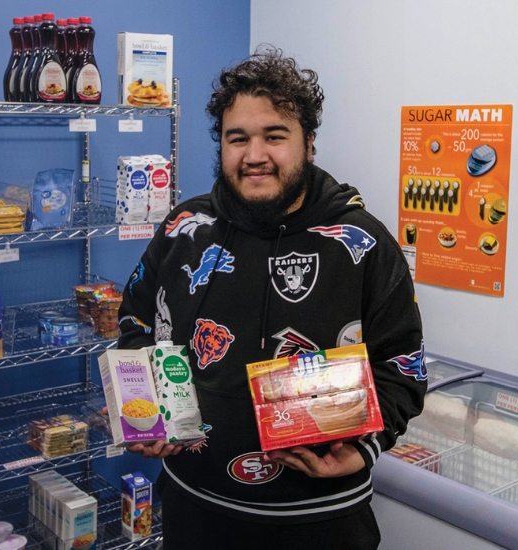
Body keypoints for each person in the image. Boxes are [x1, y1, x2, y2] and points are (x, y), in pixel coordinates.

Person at [116, 47, 426, 549]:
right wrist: (145, 406)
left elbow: (402, 363)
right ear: (221, 145)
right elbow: (135, 321)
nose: (254, 154)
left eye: (274, 136)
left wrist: (365, 448)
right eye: (237, 138)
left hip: (321, 522)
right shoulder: (183, 230)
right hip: (194, 511)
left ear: (308, 143)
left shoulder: (362, 242)